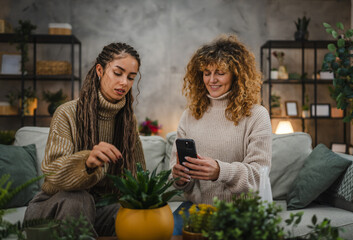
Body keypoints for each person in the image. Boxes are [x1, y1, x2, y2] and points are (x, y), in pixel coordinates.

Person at [24, 42, 146, 237]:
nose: (124, 82)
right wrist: (86, 163)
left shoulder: (128, 120)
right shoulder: (67, 113)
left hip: (99, 210)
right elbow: (52, 175)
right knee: (78, 199)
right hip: (54, 207)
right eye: (118, 73)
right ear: (100, 70)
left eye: (131, 77)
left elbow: (139, 177)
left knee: (135, 217)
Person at [170, 35, 272, 235]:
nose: (211, 80)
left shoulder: (257, 115)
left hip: (238, 212)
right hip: (196, 210)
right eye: (206, 73)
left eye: (220, 73)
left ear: (236, 74)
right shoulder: (190, 115)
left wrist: (220, 171)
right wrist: (179, 177)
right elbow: (177, 179)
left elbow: (259, 176)